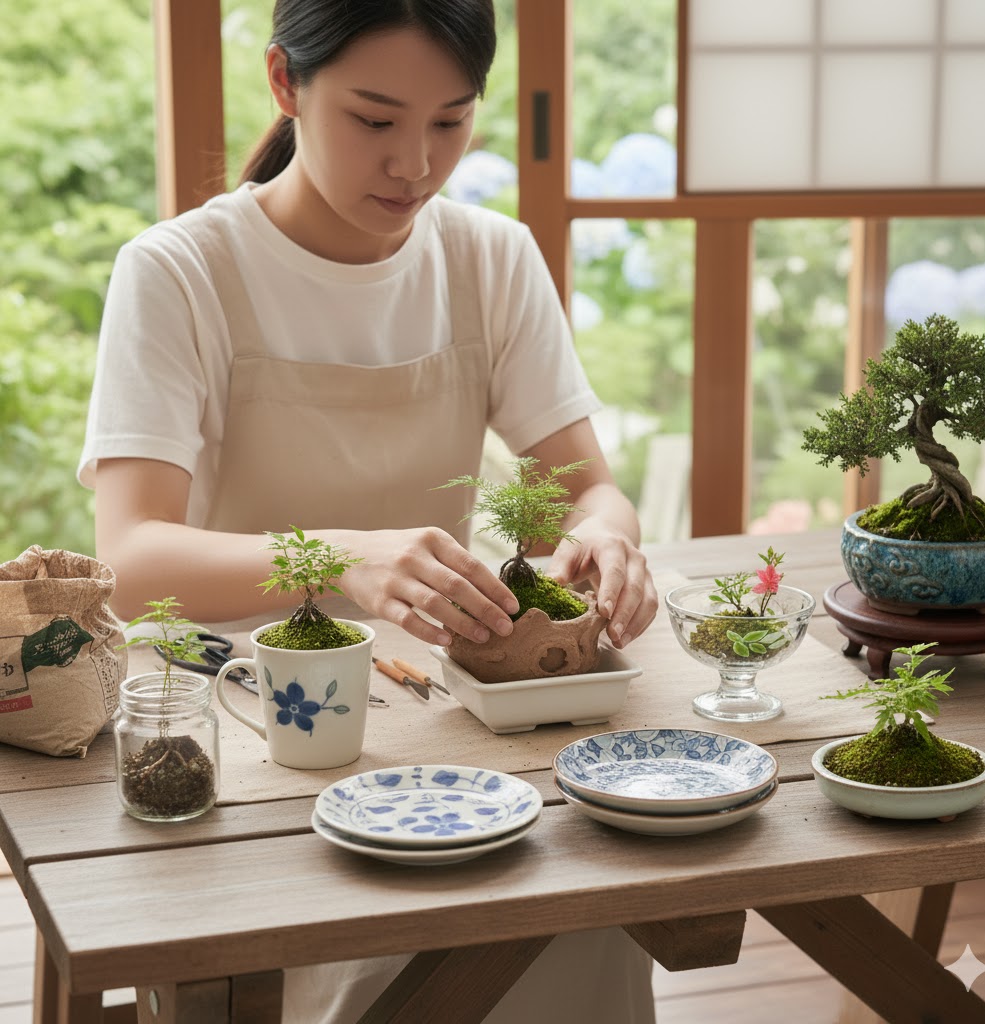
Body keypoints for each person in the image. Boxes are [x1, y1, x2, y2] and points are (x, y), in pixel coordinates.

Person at [79, 1, 659, 1021]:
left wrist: (605, 537)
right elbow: (128, 559)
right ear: (284, 83)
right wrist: (332, 558)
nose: (415, 165)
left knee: (584, 914)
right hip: (247, 730)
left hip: (442, 724)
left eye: (449, 121)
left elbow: (582, 489)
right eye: (375, 119)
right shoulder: (180, 272)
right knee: (393, 960)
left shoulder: (490, 258)